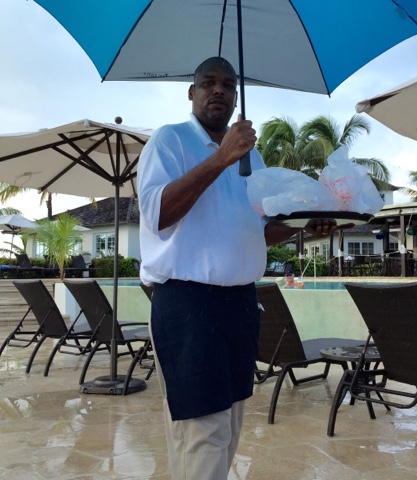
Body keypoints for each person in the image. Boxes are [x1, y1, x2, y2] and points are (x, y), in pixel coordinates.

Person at [138, 56, 339, 480]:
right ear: (191, 93)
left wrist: (305, 226)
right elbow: (158, 215)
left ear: (235, 97)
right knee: (202, 431)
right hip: (188, 303)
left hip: (241, 303)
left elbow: (256, 232)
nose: (219, 90)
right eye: (208, 83)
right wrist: (221, 158)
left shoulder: (254, 159)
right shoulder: (169, 140)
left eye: (228, 85)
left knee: (229, 424)